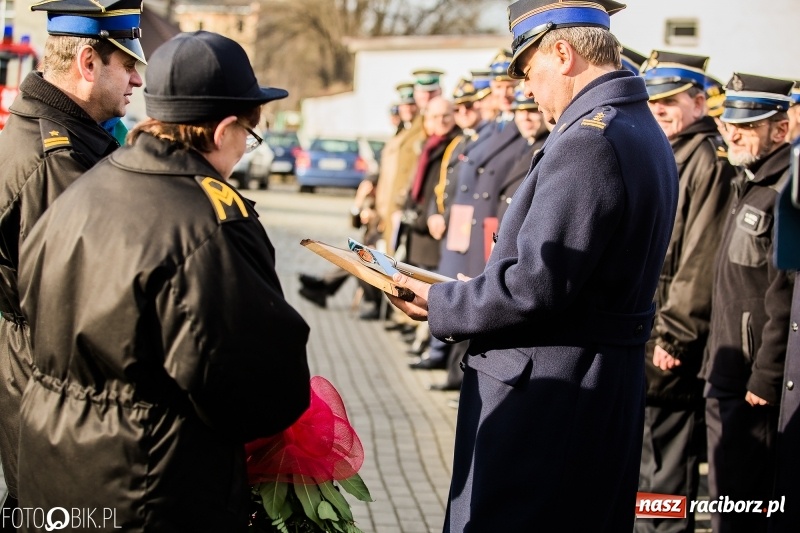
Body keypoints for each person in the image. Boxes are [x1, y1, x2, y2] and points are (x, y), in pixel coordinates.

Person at [386, 0, 678, 530]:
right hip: (593, 384)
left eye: (529, 71)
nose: (525, 89)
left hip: (552, 392)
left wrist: (441, 302)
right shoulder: (633, 125)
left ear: (562, 53)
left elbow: (534, 286)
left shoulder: (589, 139)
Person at [15, 31, 311, 530]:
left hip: (54, 477)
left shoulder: (84, 187)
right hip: (150, 488)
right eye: (248, 137)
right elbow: (260, 392)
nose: (243, 152)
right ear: (222, 132)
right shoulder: (209, 224)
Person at [0, 0, 145, 513]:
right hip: (51, 399)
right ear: (88, 63)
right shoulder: (57, 161)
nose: (137, 82)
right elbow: (82, 305)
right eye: (128, 66)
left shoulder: (72, 139)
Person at [637, 50, 736, 533]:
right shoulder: (671, 150)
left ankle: (668, 531)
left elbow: (701, 257)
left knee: (671, 461)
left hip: (672, 335)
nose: (659, 109)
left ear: (700, 102)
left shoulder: (706, 159)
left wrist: (675, 335)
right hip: (650, 323)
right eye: (654, 100)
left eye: (671, 100)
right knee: (649, 454)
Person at [701, 73, 795, 533]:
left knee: (744, 503)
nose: (733, 131)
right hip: (726, 366)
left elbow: (784, 294)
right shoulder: (751, 180)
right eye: (729, 122)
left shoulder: (781, 192)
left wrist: (768, 374)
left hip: (751, 378)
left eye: (748, 124)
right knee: (726, 496)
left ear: (780, 130)